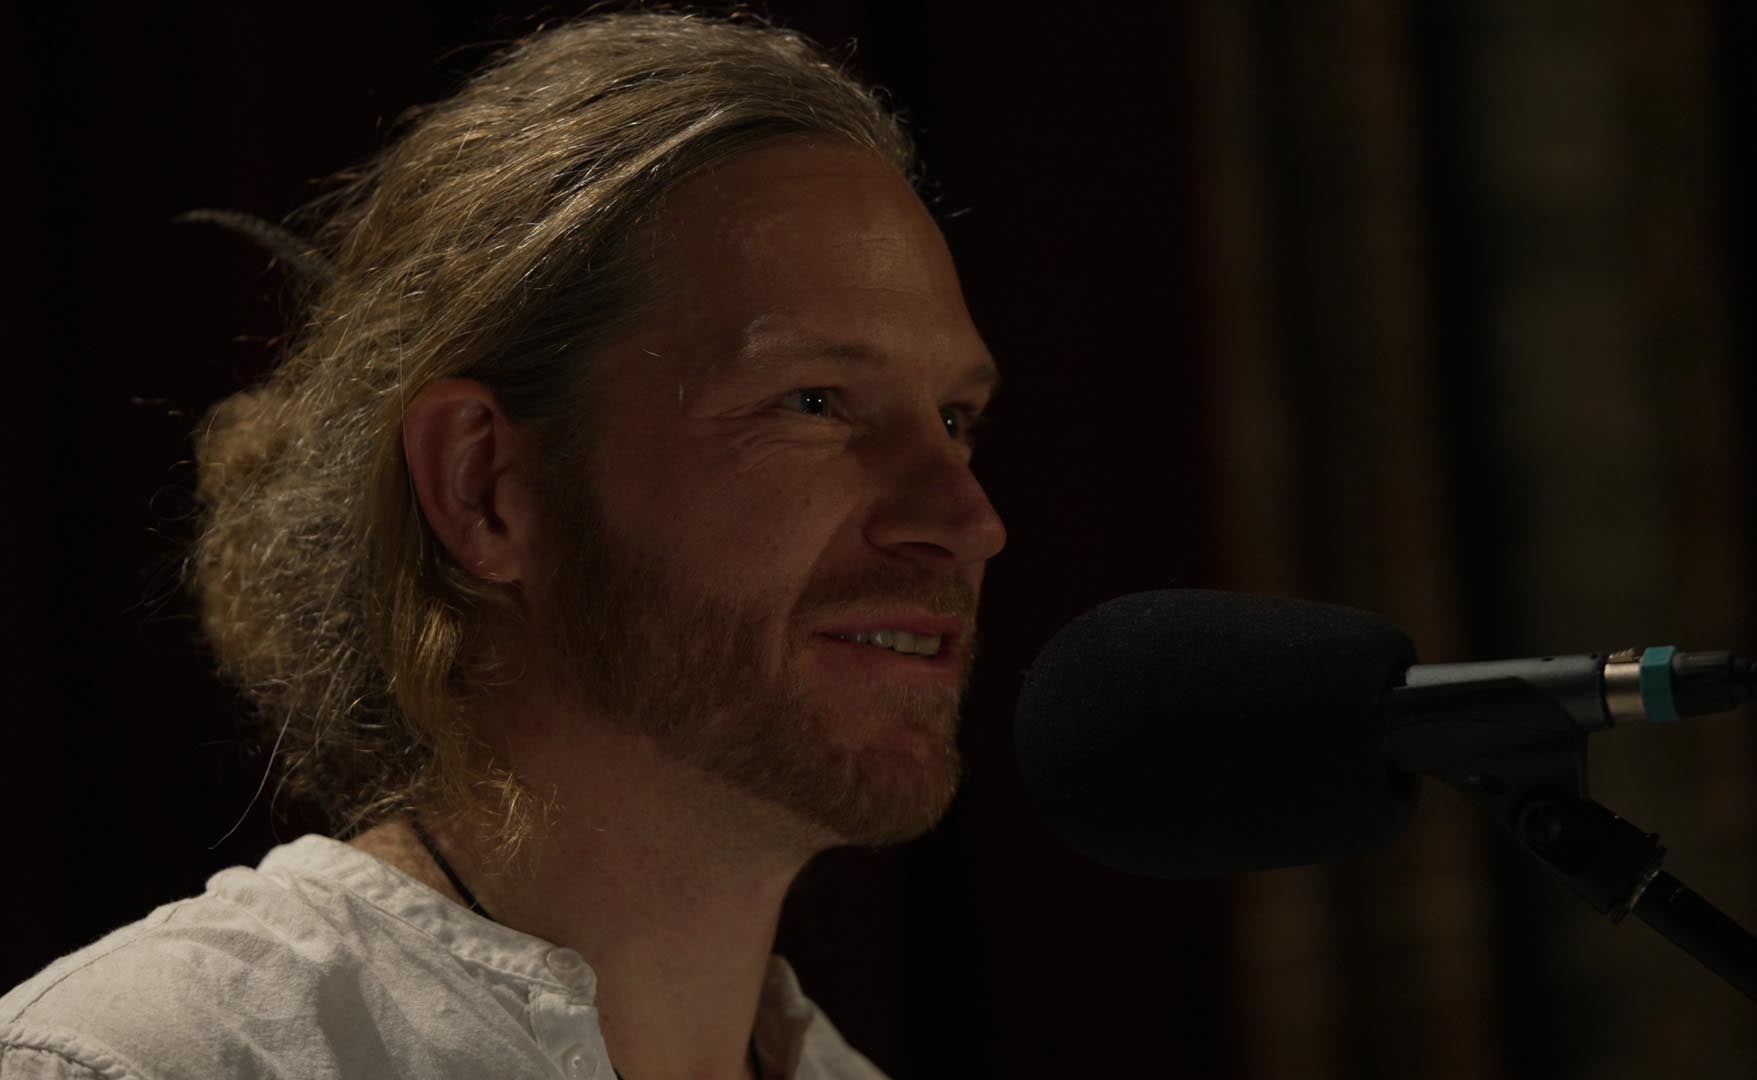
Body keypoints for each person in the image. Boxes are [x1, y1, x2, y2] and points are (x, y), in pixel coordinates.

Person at [0, 11, 1004, 1080]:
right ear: (485, 487)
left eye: (955, 419)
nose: (968, 521)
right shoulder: (150, 1061)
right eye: (815, 401)